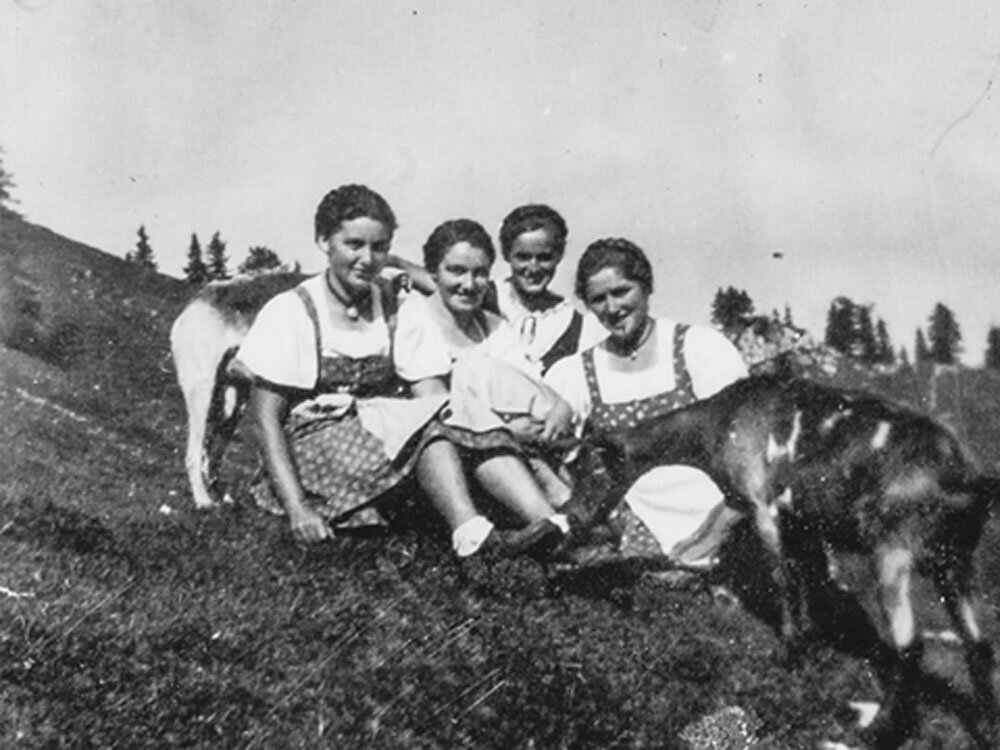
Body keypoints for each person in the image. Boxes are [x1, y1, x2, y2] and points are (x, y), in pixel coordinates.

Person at [235, 185, 560, 561]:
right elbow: (264, 419)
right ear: (324, 241)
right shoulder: (293, 310)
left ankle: (554, 525)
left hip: (380, 439)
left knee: (445, 411)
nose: (367, 259)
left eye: (379, 247)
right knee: (430, 419)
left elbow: (432, 397)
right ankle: (471, 531)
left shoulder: (399, 306)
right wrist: (297, 507)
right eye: (353, 244)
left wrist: (483, 426)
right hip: (313, 451)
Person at [544, 237, 749, 565]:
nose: (612, 308)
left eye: (621, 291)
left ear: (646, 287)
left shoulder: (697, 347)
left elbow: (741, 438)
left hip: (708, 498)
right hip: (633, 504)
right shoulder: (578, 371)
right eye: (598, 299)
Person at [393, 218, 574, 526]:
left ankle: (565, 507)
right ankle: (554, 511)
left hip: (506, 432)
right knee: (471, 368)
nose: (469, 283)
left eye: (479, 273)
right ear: (433, 272)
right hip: (448, 443)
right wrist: (503, 430)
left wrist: (560, 407)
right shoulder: (417, 316)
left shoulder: (493, 325)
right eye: (457, 271)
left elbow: (529, 384)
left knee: (489, 371)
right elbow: (433, 403)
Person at [493, 204, 603, 377]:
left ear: (559, 256)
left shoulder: (575, 324)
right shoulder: (485, 298)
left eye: (544, 258)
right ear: (507, 255)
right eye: (523, 257)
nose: (533, 268)